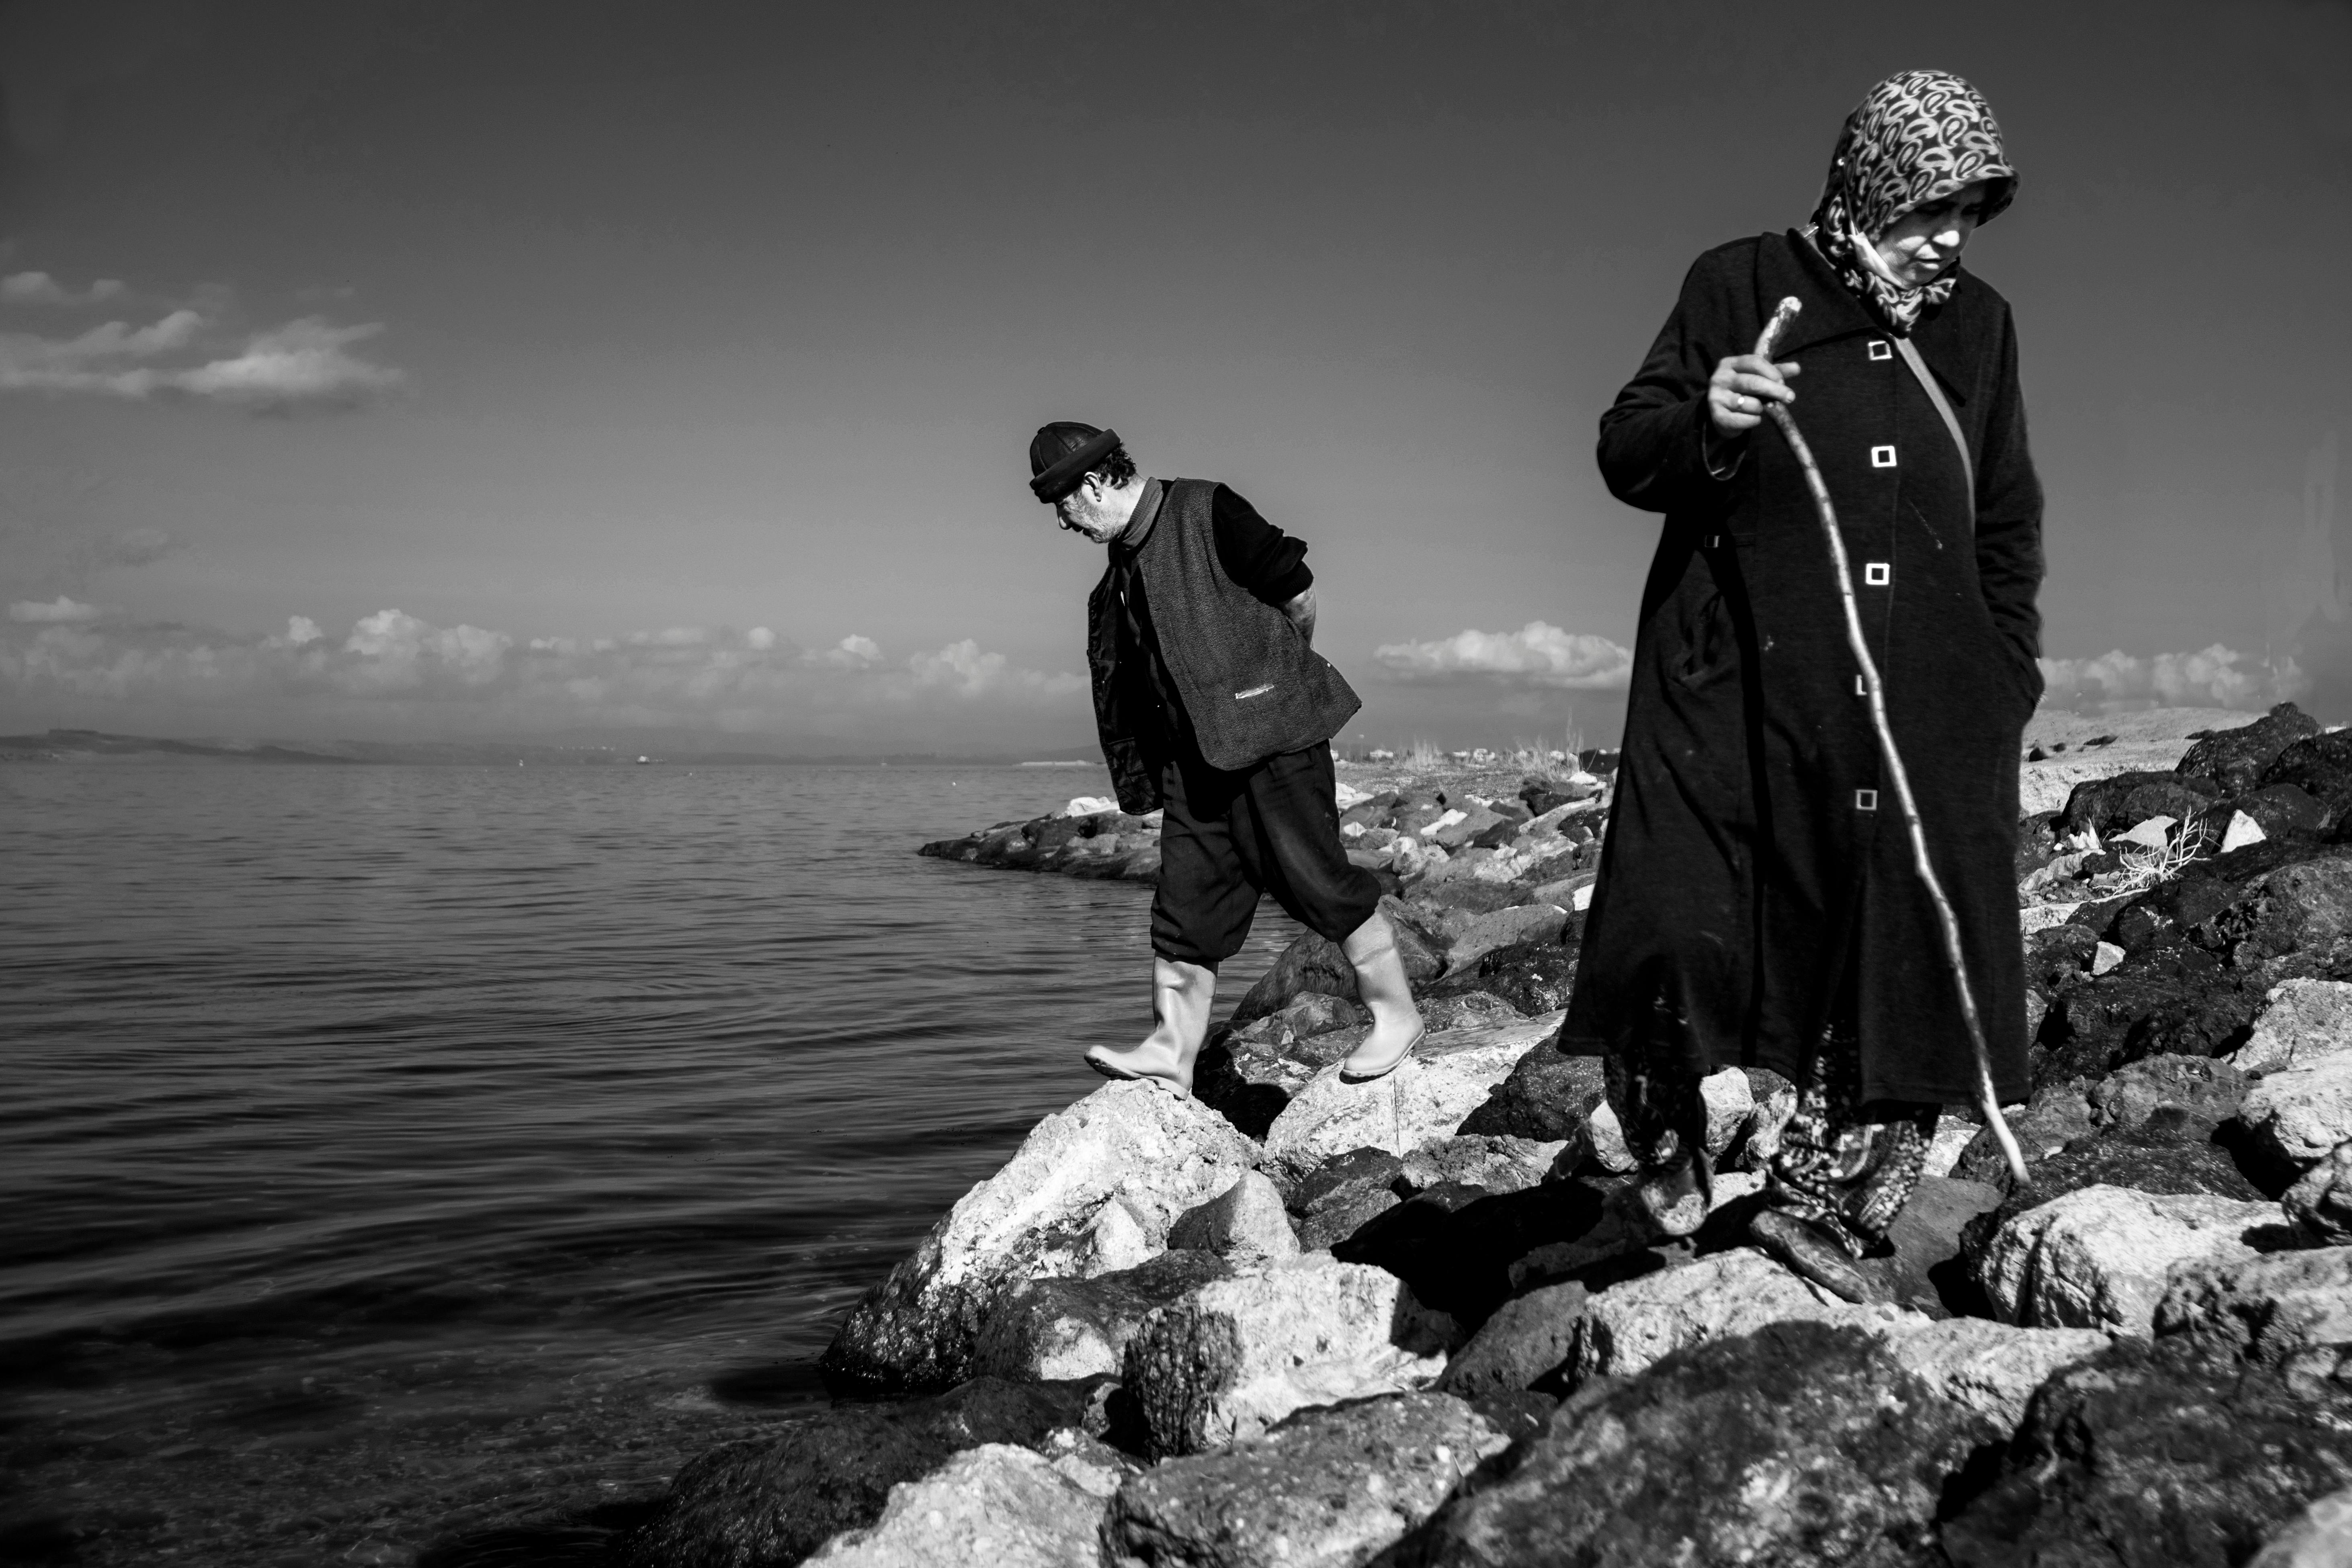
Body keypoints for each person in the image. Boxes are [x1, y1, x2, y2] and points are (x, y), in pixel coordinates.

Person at [1561, 70, 2043, 1300]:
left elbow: (2004, 516)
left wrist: (2004, 670)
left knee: (1906, 944)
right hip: (1728, 680)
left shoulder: (1979, 325)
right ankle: (1668, 1149)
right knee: (1677, 917)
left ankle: (1819, 1203)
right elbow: (1629, 444)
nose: (1951, 233)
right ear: (1873, 179)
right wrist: (1707, 418)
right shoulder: (1738, 279)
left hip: (1926, 696)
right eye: (1934, 201)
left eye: (1973, 209)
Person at [1028, 421, 1424, 1093]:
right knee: (1186, 906)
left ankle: (1397, 1015)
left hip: (1275, 740)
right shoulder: (1119, 571)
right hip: (1195, 764)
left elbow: (1296, 591)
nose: (1062, 522)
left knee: (1316, 878)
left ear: (1091, 484)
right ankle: (1170, 1048)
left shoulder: (1206, 508)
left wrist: (1273, 680)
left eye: (1060, 505)